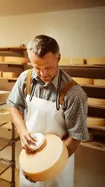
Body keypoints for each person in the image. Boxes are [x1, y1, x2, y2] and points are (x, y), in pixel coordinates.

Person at [7, 34, 89, 187]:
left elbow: (76, 136)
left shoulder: (74, 94)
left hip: (59, 161)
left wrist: (45, 168)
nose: (43, 74)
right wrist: (22, 131)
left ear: (58, 58)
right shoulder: (25, 78)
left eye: (48, 68)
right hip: (31, 155)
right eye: (37, 67)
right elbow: (14, 106)